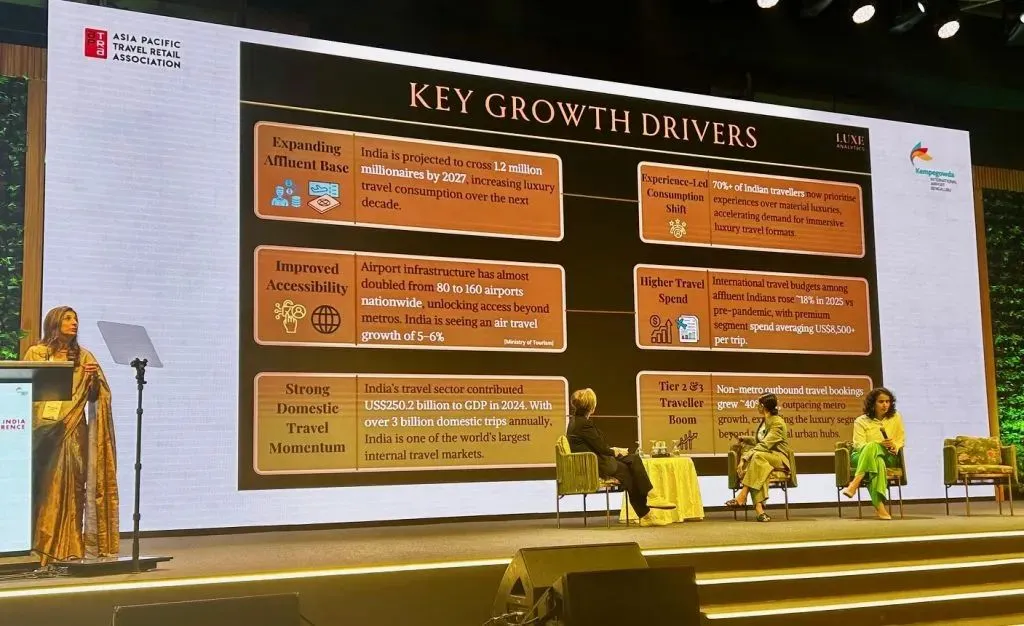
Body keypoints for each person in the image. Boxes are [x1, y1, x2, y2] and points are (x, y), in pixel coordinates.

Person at [23, 306, 119, 564]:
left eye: (75, 319)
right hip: (43, 431)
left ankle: (70, 546)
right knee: (45, 486)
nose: (74, 323)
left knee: (73, 485)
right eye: (67, 318)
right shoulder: (37, 353)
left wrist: (93, 381)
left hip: (73, 429)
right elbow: (26, 388)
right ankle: (40, 545)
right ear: (54, 322)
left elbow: (98, 395)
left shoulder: (84, 357)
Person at [565, 388, 676, 526]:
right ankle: (649, 506)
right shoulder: (584, 425)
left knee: (633, 460)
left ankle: (649, 504)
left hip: (596, 460)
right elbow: (601, 448)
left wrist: (616, 451)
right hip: (596, 465)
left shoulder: (575, 421)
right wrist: (616, 451)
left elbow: (596, 446)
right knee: (630, 469)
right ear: (592, 406)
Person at [841, 387, 905, 520]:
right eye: (881, 402)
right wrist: (878, 444)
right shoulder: (861, 421)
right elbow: (859, 445)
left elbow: (900, 440)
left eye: (887, 401)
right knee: (875, 456)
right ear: (872, 403)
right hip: (861, 456)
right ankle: (880, 508)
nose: (885, 405)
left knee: (877, 458)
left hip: (888, 455)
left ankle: (855, 483)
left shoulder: (896, 417)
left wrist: (894, 446)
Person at [725, 393, 791, 522]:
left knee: (757, 456)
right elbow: (760, 441)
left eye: (758, 404)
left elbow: (765, 444)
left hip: (779, 458)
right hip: (765, 457)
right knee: (760, 466)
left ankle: (742, 495)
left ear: (763, 406)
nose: (756, 406)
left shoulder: (777, 422)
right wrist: (746, 439)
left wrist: (744, 458)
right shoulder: (765, 420)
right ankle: (760, 511)